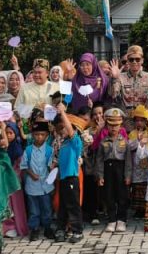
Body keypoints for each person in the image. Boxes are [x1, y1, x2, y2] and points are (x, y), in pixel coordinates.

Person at [53, 105, 84, 244]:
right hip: (64, 178)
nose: (62, 130)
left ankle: (77, 231)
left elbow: (70, 129)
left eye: (64, 128)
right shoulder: (63, 144)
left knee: (73, 205)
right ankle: (61, 229)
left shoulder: (75, 142)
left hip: (72, 178)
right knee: (63, 205)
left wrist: (63, 113)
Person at [95, 107, 129, 232]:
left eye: (116, 125)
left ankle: (121, 220)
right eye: (110, 125)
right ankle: (111, 220)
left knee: (122, 195)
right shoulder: (103, 142)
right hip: (107, 170)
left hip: (120, 169)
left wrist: (128, 175)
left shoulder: (125, 142)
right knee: (109, 195)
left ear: (121, 125)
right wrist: (100, 176)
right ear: (106, 126)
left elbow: (128, 161)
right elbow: (99, 160)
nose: (113, 128)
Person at [20, 120, 54, 242]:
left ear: (47, 136)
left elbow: (51, 166)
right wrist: (31, 173)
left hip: (46, 185)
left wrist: (53, 168)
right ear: (32, 135)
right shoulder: (28, 150)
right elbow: (23, 166)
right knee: (34, 210)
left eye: (42, 134)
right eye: (36, 134)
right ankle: (34, 229)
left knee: (47, 208)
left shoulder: (50, 150)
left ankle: (47, 228)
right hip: (32, 186)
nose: (39, 137)